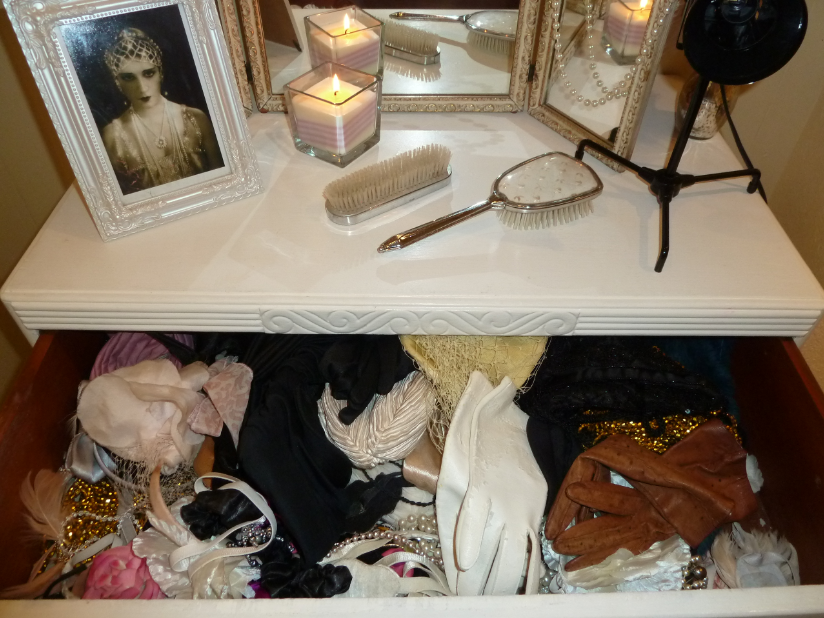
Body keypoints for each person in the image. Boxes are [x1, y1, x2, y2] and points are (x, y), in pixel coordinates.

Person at [101, 28, 223, 194]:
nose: (142, 87)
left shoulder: (196, 119)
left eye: (149, 73)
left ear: (160, 73)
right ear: (117, 82)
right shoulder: (113, 137)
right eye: (129, 78)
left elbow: (221, 182)